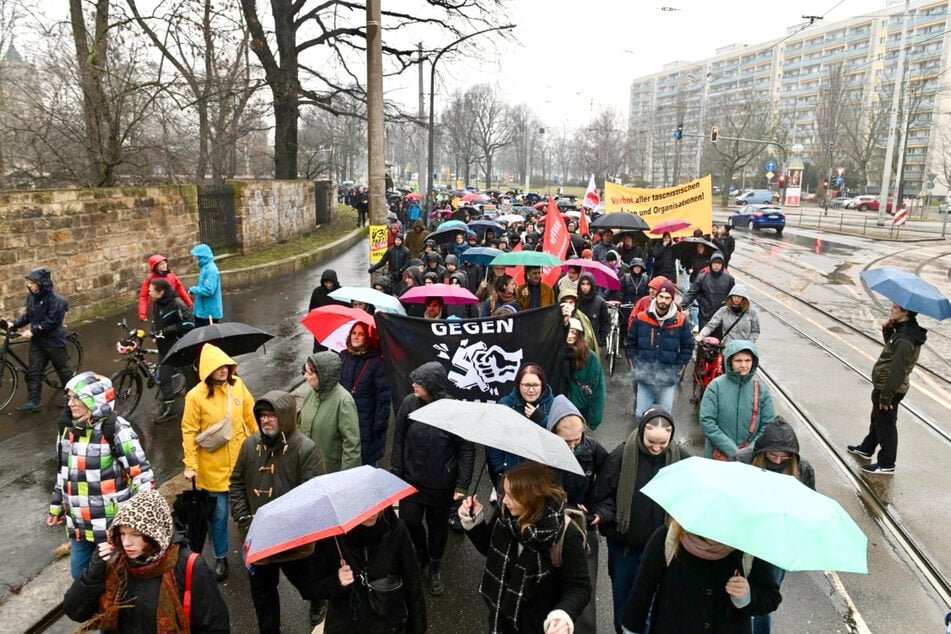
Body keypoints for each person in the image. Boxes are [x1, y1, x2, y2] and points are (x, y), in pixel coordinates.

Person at [63, 489, 229, 633]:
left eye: (135, 535)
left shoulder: (189, 566)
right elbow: (76, 612)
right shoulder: (116, 564)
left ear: (155, 533)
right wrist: (92, 576)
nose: (126, 543)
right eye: (122, 534)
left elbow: (214, 625)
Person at [230, 390, 326, 632]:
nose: (266, 420)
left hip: (293, 542)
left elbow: (311, 496)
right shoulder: (250, 445)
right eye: (262, 415)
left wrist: (286, 528)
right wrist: (243, 519)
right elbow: (237, 483)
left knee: (307, 583)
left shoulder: (306, 449)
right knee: (263, 596)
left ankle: (317, 599)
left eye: (272, 415)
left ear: (284, 417)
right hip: (258, 539)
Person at [458, 462, 592, 634]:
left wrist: (562, 616)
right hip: (501, 613)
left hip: (538, 623)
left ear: (531, 498)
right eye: (504, 493)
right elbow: (488, 548)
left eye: (511, 496)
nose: (504, 500)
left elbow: (579, 586)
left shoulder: (566, 534)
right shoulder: (506, 514)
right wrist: (473, 519)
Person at [51, 372, 155, 580]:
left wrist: (138, 521)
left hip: (110, 528)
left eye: (76, 398)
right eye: (69, 398)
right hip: (80, 526)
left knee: (115, 581)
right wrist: (57, 506)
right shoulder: (68, 430)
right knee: (81, 580)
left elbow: (140, 474)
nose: (71, 404)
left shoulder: (116, 429)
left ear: (94, 399)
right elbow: (64, 473)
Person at [594, 407, 687, 633]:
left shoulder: (682, 460)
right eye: (651, 442)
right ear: (641, 431)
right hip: (626, 549)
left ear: (671, 436)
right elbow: (603, 496)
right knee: (625, 602)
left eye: (662, 443)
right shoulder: (620, 456)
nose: (656, 448)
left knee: (657, 603)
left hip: (663, 550)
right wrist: (605, 518)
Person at [392, 361, 474, 596]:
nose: (414, 384)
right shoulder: (409, 403)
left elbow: (466, 449)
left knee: (438, 528)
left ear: (432, 385)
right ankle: (422, 555)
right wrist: (396, 472)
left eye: (419, 381)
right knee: (409, 521)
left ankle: (435, 565)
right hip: (411, 480)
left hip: (441, 484)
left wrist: (462, 484)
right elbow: (399, 438)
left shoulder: (453, 410)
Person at [620, 519, 782, 634]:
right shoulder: (668, 537)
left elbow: (771, 597)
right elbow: (642, 591)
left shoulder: (748, 544)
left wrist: (747, 597)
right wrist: (631, 629)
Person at [181, 344, 258, 582]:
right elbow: (189, 431)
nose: (223, 370)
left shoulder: (239, 386)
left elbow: (251, 416)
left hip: (241, 466)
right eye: (218, 366)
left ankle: (252, 554)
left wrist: (263, 445)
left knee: (246, 515)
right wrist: (191, 464)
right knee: (219, 516)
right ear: (207, 369)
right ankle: (221, 556)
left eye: (226, 365)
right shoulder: (195, 397)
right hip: (211, 470)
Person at [736, 417, 815, 634]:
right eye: (773, 455)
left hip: (778, 544)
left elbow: (808, 507)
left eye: (784, 457)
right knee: (739, 592)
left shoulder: (803, 469)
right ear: (762, 452)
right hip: (746, 539)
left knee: (765, 598)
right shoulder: (742, 461)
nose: (778, 461)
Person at [312, 506, 427, 633]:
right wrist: (336, 582)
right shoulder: (332, 537)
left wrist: (418, 627)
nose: (373, 512)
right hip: (347, 624)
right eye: (362, 506)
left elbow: (412, 580)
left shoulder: (396, 529)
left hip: (388, 623)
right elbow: (315, 586)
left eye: (376, 503)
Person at [547, 396, 608, 634]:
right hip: (551, 527)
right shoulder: (542, 453)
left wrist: (596, 510)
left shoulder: (592, 449)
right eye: (566, 441)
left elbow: (608, 481)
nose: (573, 446)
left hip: (583, 530)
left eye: (577, 439)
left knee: (584, 588)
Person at [847, 302, 927, 475]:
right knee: (878, 420)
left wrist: (886, 397)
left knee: (886, 426)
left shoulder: (906, 338)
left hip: (889, 387)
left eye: (895, 307)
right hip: (886, 385)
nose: (891, 308)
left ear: (905, 311)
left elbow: (897, 370)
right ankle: (867, 448)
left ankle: (886, 464)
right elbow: (891, 349)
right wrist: (888, 330)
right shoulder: (902, 331)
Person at [3, 267, 73, 412]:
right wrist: (14, 324)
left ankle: (72, 398)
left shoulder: (57, 300)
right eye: (28, 282)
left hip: (54, 342)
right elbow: (28, 316)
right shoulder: (32, 297)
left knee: (63, 371)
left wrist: (33, 331)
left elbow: (51, 321)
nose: (29, 285)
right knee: (34, 372)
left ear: (42, 283)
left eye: (32, 282)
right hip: (38, 343)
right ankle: (33, 401)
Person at [625, 280, 694, 418]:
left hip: (668, 378)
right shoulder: (641, 318)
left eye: (667, 298)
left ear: (672, 300)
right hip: (645, 376)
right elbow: (630, 344)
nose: (663, 301)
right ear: (656, 297)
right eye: (661, 297)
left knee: (664, 416)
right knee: (641, 415)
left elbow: (688, 346)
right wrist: (635, 366)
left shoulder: (680, 320)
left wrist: (678, 369)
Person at [700, 340, 775, 460]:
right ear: (730, 362)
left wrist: (750, 450)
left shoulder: (761, 390)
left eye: (748, 360)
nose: (744, 365)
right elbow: (707, 421)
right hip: (718, 457)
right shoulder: (715, 387)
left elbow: (768, 424)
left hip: (749, 458)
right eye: (738, 361)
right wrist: (733, 451)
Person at [489, 363, 556, 480]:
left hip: (543, 475)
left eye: (535, 385)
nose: (531, 390)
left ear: (543, 385)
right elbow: (494, 441)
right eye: (526, 385)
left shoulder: (554, 404)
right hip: (512, 473)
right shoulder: (505, 404)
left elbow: (561, 437)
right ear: (518, 384)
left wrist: (542, 419)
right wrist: (501, 468)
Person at [299, 351, 362, 473]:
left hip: (330, 473)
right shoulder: (311, 394)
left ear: (323, 375)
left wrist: (343, 480)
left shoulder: (344, 401)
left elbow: (352, 446)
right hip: (308, 470)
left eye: (309, 372)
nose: (305, 376)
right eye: (304, 371)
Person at [338, 323, 391, 467]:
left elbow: (383, 398)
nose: (356, 337)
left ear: (367, 338)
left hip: (366, 423)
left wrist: (378, 428)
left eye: (360, 334)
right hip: (343, 418)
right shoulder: (343, 356)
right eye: (354, 333)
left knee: (366, 464)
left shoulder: (376, 362)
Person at [148, 278, 194, 421]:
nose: (148, 291)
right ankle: (169, 408)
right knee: (163, 377)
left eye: (151, 290)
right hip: (164, 348)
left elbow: (189, 323)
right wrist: (154, 332)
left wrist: (168, 330)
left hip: (180, 347)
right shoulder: (156, 304)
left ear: (160, 292)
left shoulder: (176, 303)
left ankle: (196, 405)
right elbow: (156, 321)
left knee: (191, 377)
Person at [564, 318, 606, 430]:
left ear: (579, 334)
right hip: (561, 410)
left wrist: (594, 419)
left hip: (580, 410)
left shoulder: (590, 357)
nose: (570, 335)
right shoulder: (557, 353)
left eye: (573, 332)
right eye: (568, 331)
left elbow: (598, 388)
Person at [683, 251, 735, 332]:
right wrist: (681, 306)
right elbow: (691, 294)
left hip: (721, 317)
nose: (717, 265)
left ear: (722, 265)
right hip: (705, 316)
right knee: (704, 340)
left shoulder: (729, 279)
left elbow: (733, 297)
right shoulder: (702, 278)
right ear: (711, 263)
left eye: (719, 263)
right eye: (714, 262)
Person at [137, 254, 192, 322]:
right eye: (161, 264)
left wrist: (188, 302)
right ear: (155, 267)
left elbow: (180, 288)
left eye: (165, 263)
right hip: (158, 308)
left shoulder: (171, 274)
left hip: (172, 305)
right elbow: (143, 296)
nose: (165, 265)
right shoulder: (150, 279)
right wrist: (142, 314)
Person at [576, 272, 611, 347]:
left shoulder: (600, 302)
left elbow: (605, 324)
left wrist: (600, 341)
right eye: (583, 284)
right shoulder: (575, 301)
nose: (585, 287)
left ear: (592, 285)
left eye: (588, 284)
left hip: (594, 343)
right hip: (577, 343)